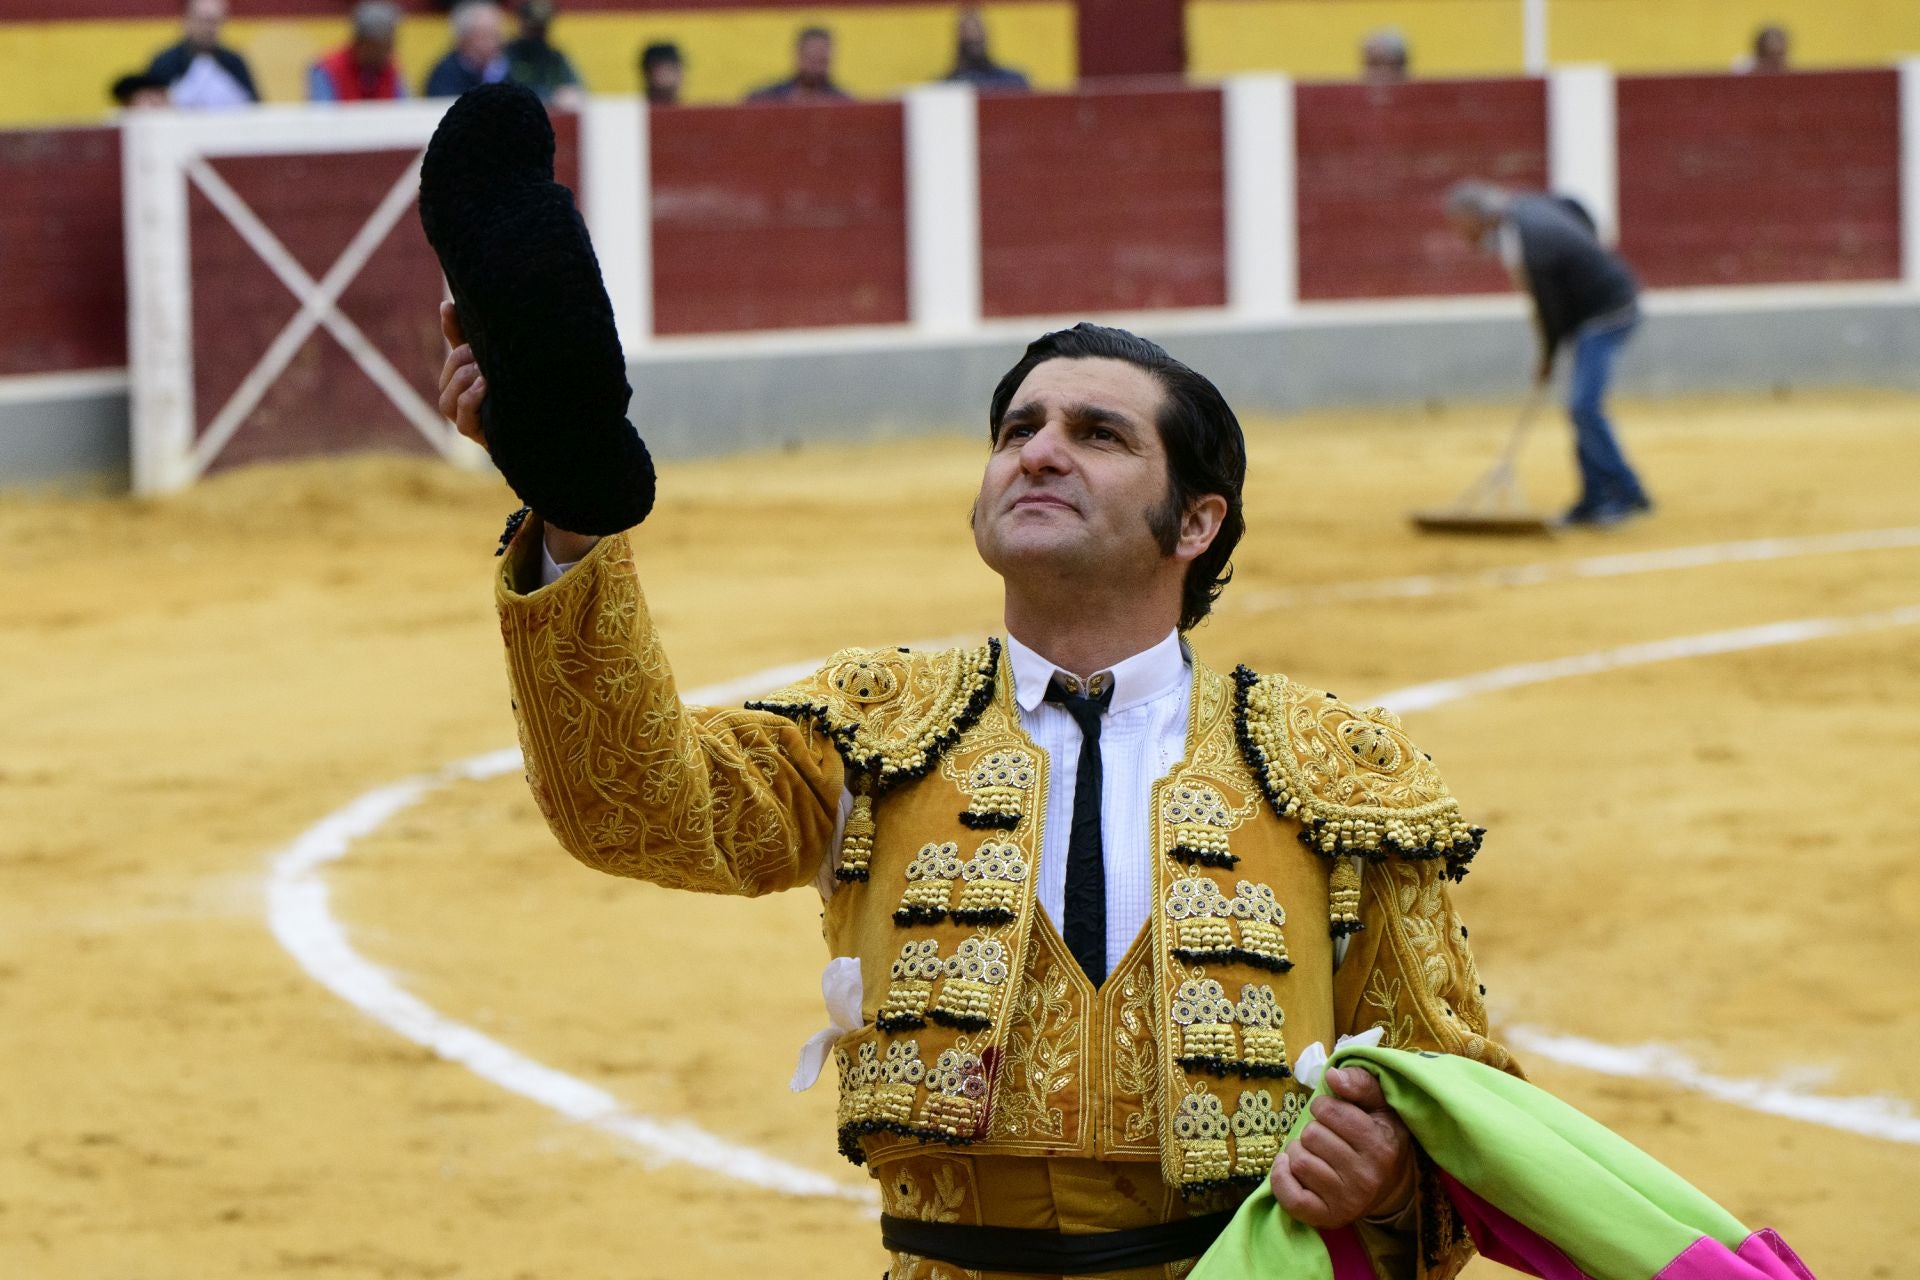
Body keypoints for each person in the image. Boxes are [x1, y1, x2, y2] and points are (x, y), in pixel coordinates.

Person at [429, 101, 1516, 1262]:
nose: (1038, 449)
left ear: (1197, 521)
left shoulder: (1340, 773)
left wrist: (1389, 1176)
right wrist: (572, 514)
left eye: (1099, 434)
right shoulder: (871, 728)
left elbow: (1475, 1141)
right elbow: (634, 805)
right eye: (1016, 430)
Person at [1447, 180, 1652, 526]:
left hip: (1607, 312)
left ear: (1479, 217)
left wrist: (1548, 356)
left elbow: (1551, 310)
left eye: (1463, 227)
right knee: (1582, 407)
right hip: (1604, 304)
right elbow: (1575, 208)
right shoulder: (1525, 209)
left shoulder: (1530, 244)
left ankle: (1619, 495)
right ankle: (1605, 495)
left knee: (1583, 407)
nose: (1463, 236)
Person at [145, 0, 258, 109]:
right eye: (203, 21)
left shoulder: (234, 63)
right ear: (186, 20)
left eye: (215, 21)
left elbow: (256, 109)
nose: (209, 29)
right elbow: (148, 108)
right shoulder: (165, 63)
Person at [308, 1, 407, 103]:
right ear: (361, 42)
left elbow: (406, 108)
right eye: (380, 47)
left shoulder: (390, 69)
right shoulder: (327, 69)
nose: (388, 53)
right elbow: (322, 111)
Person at [505, 0, 585, 110]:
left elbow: (576, 90)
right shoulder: (507, 56)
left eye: (542, 29)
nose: (538, 35)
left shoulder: (555, 58)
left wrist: (570, 95)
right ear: (522, 25)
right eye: (533, 30)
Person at [424, 0, 509, 98]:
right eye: (484, 36)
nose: (494, 42)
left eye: (496, 35)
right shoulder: (445, 75)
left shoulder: (511, 66)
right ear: (463, 39)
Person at [747, 26, 852, 103]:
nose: (815, 68)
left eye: (821, 60)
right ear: (798, 56)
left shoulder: (844, 104)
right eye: (811, 58)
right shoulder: (765, 100)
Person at [944, 6, 1029, 91]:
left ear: (986, 34)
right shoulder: (947, 87)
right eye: (966, 30)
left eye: (977, 28)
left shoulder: (1012, 81)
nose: (973, 36)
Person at [638, 41, 683, 106]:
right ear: (647, 73)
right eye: (666, 68)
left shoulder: (688, 109)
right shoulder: (632, 109)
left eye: (674, 68)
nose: (668, 75)